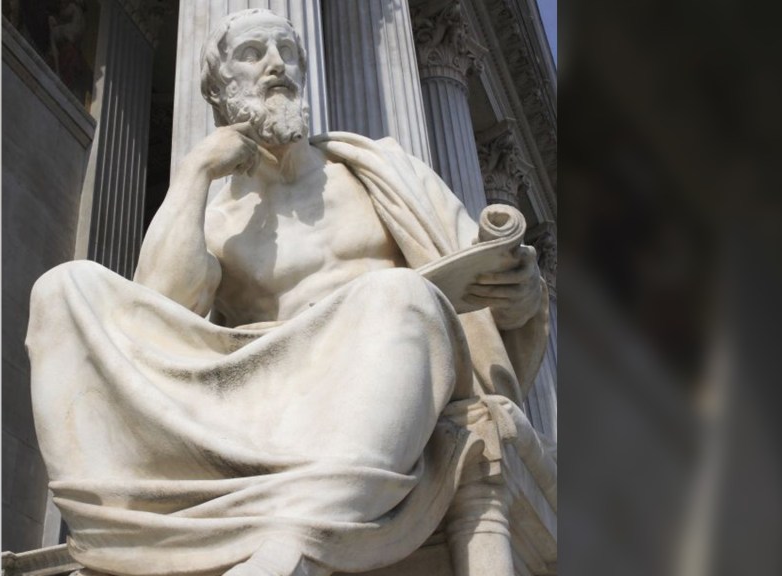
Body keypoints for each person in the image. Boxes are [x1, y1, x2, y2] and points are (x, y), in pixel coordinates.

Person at [27, 9, 547, 576]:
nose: (278, 65)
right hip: (261, 399)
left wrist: (515, 297)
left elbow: (488, 298)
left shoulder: (380, 172)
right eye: (253, 53)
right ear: (221, 87)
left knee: (398, 294)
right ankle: (120, 532)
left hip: (377, 391)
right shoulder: (217, 217)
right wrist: (196, 171)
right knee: (63, 287)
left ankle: (300, 533)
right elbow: (155, 322)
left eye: (288, 52)